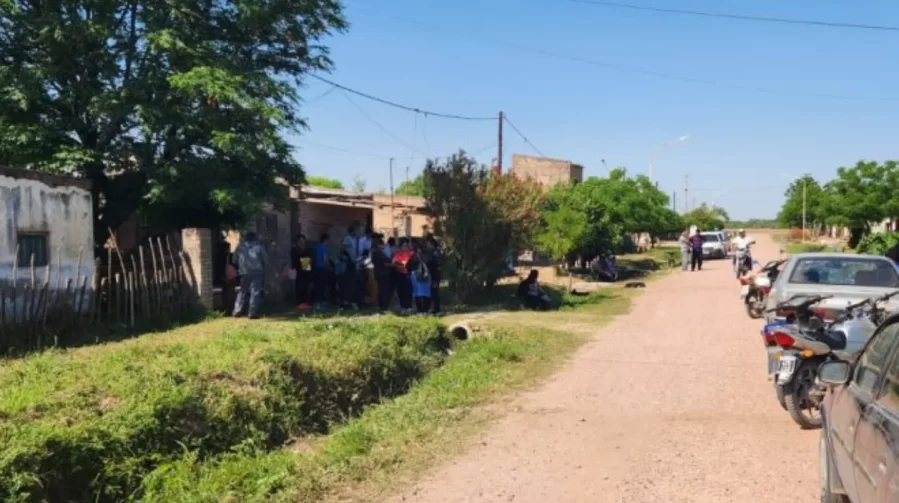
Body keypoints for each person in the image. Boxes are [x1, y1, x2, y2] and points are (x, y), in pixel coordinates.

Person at [232, 231, 267, 319]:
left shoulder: (240, 247)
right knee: (255, 292)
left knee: (242, 292)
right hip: (257, 271)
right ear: (255, 238)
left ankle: (237, 310)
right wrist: (264, 267)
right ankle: (252, 312)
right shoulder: (259, 246)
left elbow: (234, 260)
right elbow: (265, 259)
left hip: (244, 272)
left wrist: (240, 265)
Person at [370, 237, 394, 312]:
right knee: (384, 290)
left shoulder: (376, 252)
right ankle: (384, 306)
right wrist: (391, 264)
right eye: (382, 244)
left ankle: (382, 305)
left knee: (381, 289)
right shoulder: (378, 253)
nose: (384, 246)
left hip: (378, 273)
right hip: (383, 273)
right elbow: (385, 263)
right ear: (378, 245)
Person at [392, 238, 415, 314]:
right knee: (401, 291)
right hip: (399, 274)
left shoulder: (411, 253)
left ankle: (409, 306)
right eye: (403, 246)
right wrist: (398, 266)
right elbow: (393, 263)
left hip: (408, 274)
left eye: (406, 246)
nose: (405, 247)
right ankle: (403, 307)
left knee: (408, 290)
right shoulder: (398, 254)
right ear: (400, 246)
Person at [409, 242, 432, 314]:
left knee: (417, 293)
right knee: (426, 293)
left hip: (416, 275)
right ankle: (426, 309)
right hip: (426, 275)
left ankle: (420, 310)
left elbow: (409, 265)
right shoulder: (429, 255)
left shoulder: (413, 256)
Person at [311, 233, 330, 309]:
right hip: (322, 269)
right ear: (325, 240)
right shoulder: (324, 247)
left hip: (316, 268)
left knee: (317, 285)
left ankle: (316, 302)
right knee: (322, 286)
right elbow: (325, 259)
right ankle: (321, 302)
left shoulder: (316, 246)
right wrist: (329, 266)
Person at [425, 236, 443, 314]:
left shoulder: (436, 253)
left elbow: (437, 265)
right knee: (433, 292)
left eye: (428, 244)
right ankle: (434, 308)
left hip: (435, 276)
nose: (427, 246)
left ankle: (436, 309)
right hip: (433, 275)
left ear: (432, 244)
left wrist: (435, 277)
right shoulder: (434, 252)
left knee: (434, 293)